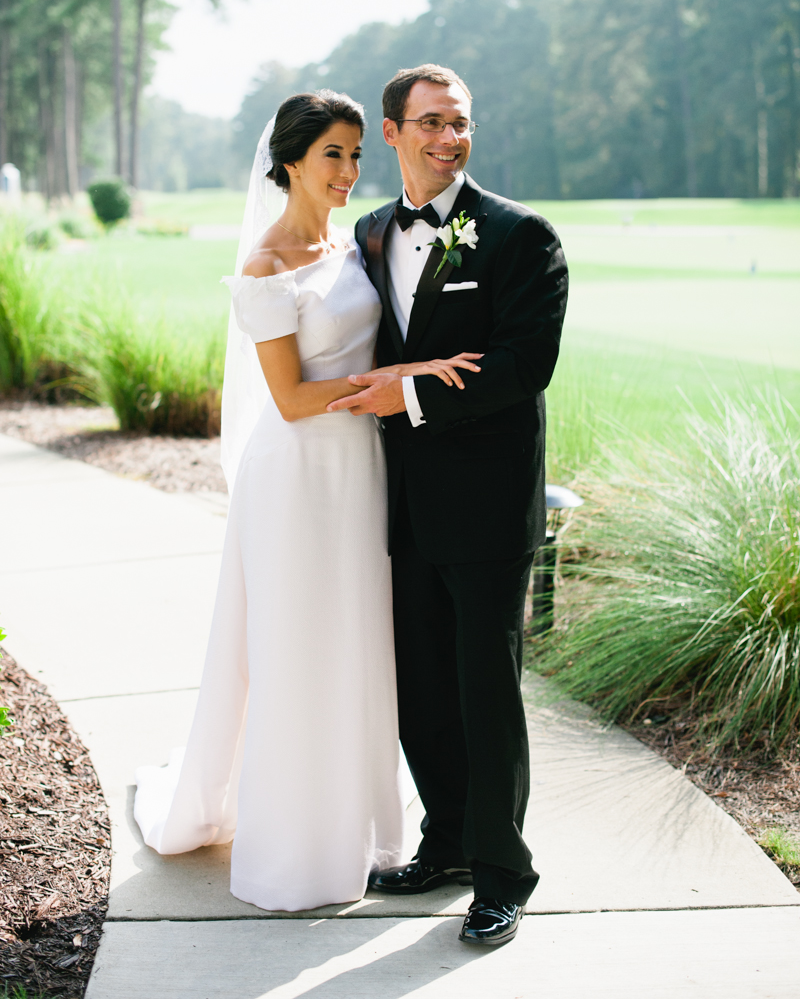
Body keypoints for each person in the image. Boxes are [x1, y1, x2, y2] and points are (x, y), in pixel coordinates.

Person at [133, 89, 481, 913]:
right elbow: (289, 400)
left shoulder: (355, 243)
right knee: (296, 648)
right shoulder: (263, 268)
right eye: (334, 154)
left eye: (358, 154)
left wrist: (408, 377)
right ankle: (294, 850)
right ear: (288, 160)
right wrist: (395, 384)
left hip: (360, 472)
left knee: (359, 643)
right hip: (295, 480)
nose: (351, 171)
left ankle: (358, 830)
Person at [328, 64, 569, 946]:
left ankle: (505, 872)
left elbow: (519, 367)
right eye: (429, 123)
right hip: (401, 505)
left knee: (485, 689)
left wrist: (411, 396)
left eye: (459, 123)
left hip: (490, 507)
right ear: (391, 134)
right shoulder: (367, 233)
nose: (447, 139)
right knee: (423, 685)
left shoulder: (520, 236)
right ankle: (450, 841)